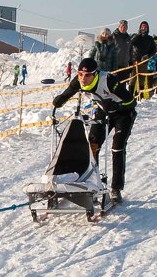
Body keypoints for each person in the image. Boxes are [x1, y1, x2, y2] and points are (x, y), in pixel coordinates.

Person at [51, 57, 137, 203]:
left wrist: (117, 107)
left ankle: (116, 188)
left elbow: (131, 102)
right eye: (80, 74)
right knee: (92, 145)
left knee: (117, 147)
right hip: (103, 111)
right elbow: (67, 94)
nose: (83, 78)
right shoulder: (78, 81)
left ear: (95, 74)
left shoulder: (108, 80)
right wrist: (59, 101)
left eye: (88, 75)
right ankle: (93, 183)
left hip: (123, 113)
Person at [112, 20, 134, 84]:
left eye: (125, 27)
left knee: (122, 85)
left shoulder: (128, 38)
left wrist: (131, 63)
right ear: (118, 27)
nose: (123, 28)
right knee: (114, 85)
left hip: (124, 65)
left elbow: (131, 51)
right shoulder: (113, 36)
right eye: (121, 26)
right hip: (115, 65)